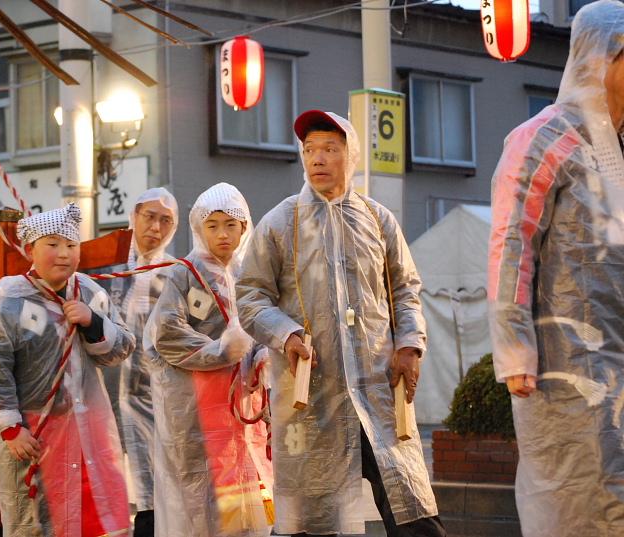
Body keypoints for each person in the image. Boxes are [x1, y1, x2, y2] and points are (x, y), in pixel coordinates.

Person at [236, 110, 445, 537]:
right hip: (313, 396)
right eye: (310, 149)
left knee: (411, 508)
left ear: (349, 156)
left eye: (330, 148)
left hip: (376, 390)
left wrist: (409, 344)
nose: (318, 158)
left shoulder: (377, 219)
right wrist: (287, 333)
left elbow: (405, 288)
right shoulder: (281, 222)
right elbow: (250, 296)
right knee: (310, 518)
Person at [487, 2, 624, 534]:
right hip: (561, 369)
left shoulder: (616, 150)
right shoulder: (542, 137)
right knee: (572, 501)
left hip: (615, 360)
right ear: (602, 57)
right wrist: (514, 345)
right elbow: (510, 244)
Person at [0, 203, 135, 536]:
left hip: (90, 427)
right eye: (52, 244)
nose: (63, 254)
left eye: (71, 245)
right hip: (33, 432)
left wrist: (93, 323)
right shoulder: (12, 301)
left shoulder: (91, 293)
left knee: (96, 515)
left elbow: (122, 347)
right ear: (30, 250)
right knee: (37, 519)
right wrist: (9, 428)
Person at [144, 182, 273, 537]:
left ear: (245, 227)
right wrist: (221, 351)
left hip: (242, 405)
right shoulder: (184, 272)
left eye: (230, 225)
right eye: (212, 225)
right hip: (195, 407)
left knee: (245, 487)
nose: (222, 234)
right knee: (200, 492)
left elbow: (266, 323)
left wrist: (263, 356)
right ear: (198, 228)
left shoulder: (250, 274)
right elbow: (167, 334)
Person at [96, 187, 180, 537]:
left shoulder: (176, 275)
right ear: (133, 217)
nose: (155, 228)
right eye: (149, 217)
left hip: (155, 403)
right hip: (101, 399)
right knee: (105, 489)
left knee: (152, 495)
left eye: (165, 221)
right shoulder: (104, 267)